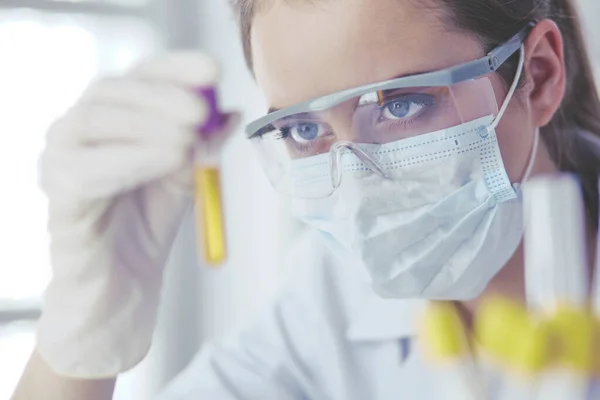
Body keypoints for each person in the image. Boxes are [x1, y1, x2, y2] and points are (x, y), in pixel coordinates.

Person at [12, 0, 600, 398]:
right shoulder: (329, 297)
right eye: (302, 130)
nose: (357, 182)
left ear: (539, 75)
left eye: (399, 105)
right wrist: (79, 339)